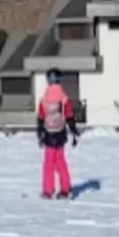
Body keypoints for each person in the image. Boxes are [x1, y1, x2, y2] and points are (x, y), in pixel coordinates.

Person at [37, 68, 79, 199]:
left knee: (48, 162)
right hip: (60, 132)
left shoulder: (44, 98)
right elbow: (69, 115)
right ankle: (65, 189)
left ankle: (47, 190)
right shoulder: (63, 98)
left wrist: (40, 133)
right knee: (60, 161)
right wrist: (73, 131)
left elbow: (40, 116)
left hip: (48, 132)